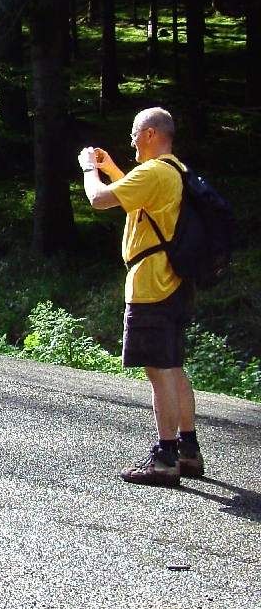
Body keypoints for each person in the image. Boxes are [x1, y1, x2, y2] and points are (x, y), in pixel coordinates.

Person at [79, 107, 203, 487]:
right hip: (177, 282)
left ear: (150, 134)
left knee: (158, 370)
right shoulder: (175, 171)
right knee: (173, 366)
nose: (131, 139)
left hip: (152, 285)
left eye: (134, 132)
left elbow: (99, 199)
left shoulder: (153, 172)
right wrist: (114, 169)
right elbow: (136, 201)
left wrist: (89, 169)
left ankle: (165, 459)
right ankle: (188, 450)